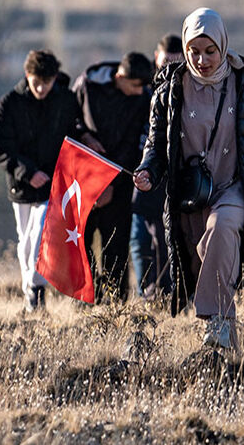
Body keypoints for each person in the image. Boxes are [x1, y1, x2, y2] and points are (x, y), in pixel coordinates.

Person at [134, 8, 244, 350]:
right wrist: (147, 171)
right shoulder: (170, 90)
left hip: (235, 187)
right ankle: (228, 339)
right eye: (194, 51)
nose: (201, 60)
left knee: (222, 229)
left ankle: (214, 321)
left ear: (223, 45)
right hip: (191, 194)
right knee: (209, 253)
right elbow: (156, 145)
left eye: (210, 51)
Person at [0, 49, 88, 312]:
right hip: (21, 185)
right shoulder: (10, 103)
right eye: (37, 82)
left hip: (53, 183)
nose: (42, 88)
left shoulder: (66, 100)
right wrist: (27, 172)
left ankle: (36, 289)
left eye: (47, 82)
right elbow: (0, 146)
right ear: (27, 75)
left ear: (55, 78)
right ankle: (31, 294)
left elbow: (75, 132)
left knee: (40, 234)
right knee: (25, 241)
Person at [72, 51, 154, 303]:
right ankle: (84, 302)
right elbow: (69, 119)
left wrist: (110, 183)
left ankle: (116, 305)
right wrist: (84, 134)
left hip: (120, 181)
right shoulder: (88, 85)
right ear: (120, 76)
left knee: (116, 247)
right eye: (135, 85)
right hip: (83, 178)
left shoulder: (143, 98)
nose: (140, 91)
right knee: (80, 244)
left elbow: (134, 145)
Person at [130, 33, 184, 299]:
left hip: (173, 176)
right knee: (140, 241)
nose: (169, 69)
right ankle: (145, 294)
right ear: (156, 58)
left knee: (168, 240)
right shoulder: (144, 89)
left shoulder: (187, 91)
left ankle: (167, 292)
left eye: (176, 63)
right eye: (165, 63)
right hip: (142, 173)